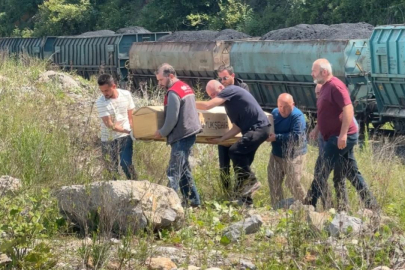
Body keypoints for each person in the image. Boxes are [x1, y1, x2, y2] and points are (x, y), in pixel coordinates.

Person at [304, 59, 378, 210]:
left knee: (321, 168)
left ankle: (309, 205)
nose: (312, 73)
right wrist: (317, 129)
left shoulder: (336, 86)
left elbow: (348, 109)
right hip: (332, 136)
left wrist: (343, 135)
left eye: (314, 71)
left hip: (340, 137)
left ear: (324, 72)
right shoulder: (324, 86)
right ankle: (372, 206)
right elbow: (326, 112)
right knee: (352, 172)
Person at [196, 80, 271, 207]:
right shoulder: (230, 106)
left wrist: (187, 102)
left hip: (258, 128)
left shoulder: (229, 90)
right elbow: (236, 128)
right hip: (256, 130)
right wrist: (221, 139)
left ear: (221, 87)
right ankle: (246, 202)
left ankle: (252, 181)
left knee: (235, 152)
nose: (214, 97)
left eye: (214, 94)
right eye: (211, 95)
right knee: (242, 164)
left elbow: (208, 106)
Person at [154, 63, 202, 207]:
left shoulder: (173, 92)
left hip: (182, 134)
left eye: (161, 80)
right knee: (183, 169)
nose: (160, 84)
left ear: (171, 76)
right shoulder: (185, 87)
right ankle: (193, 201)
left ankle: (168, 205)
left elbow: (172, 118)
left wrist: (161, 132)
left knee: (173, 170)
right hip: (190, 132)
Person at [267, 93, 307, 207]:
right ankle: (277, 207)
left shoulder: (297, 116)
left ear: (293, 105)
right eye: (280, 106)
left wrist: (276, 137)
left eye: (286, 107)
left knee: (294, 183)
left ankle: (306, 206)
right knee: (273, 181)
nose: (283, 110)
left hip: (294, 155)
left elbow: (296, 137)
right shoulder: (274, 113)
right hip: (277, 154)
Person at [96, 74, 138, 180]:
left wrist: (134, 130)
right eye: (102, 91)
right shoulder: (101, 102)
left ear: (113, 86)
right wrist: (128, 130)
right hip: (108, 138)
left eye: (106, 90)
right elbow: (110, 125)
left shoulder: (126, 95)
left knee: (126, 163)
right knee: (111, 169)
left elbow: (131, 116)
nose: (104, 93)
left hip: (125, 137)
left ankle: (135, 185)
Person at [216, 65, 250, 193]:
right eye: (220, 79)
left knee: (238, 165)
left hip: (238, 132)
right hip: (224, 130)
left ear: (233, 76)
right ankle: (226, 193)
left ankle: (240, 192)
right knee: (223, 166)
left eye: (225, 78)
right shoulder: (220, 89)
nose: (223, 81)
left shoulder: (243, 88)